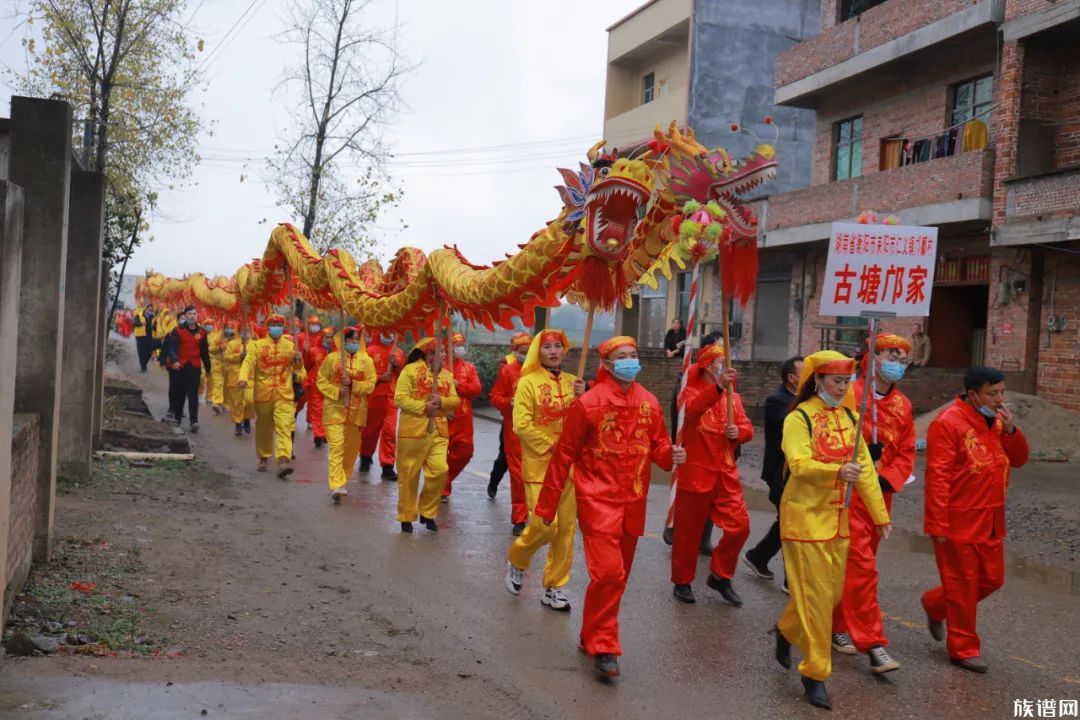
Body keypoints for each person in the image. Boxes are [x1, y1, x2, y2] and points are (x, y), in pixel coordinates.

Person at [536, 336, 684, 679]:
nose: (631, 361)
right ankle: (605, 647)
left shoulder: (648, 402)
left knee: (616, 579)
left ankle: (591, 635)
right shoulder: (587, 404)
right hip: (597, 500)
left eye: (634, 355)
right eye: (623, 357)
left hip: (633, 502)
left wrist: (672, 454)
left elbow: (659, 447)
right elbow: (563, 456)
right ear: (606, 364)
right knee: (609, 573)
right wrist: (548, 506)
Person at [773, 350, 891, 710]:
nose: (843, 388)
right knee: (819, 599)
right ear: (818, 380)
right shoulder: (799, 418)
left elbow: (866, 470)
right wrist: (836, 472)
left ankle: (786, 631)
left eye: (846, 381)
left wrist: (879, 513)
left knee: (829, 595)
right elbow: (798, 463)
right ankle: (815, 672)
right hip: (804, 519)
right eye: (836, 381)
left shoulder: (850, 418)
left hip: (839, 519)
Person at [921, 366, 1028, 674]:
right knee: (963, 586)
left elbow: (1019, 459)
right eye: (992, 393)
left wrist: (1011, 430)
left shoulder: (997, 422)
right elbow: (938, 476)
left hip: (992, 517)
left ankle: (935, 603)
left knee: (992, 579)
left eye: (1002, 392)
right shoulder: (948, 423)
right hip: (958, 519)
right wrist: (937, 523)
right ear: (972, 395)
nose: (999, 399)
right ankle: (963, 649)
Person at [831, 334, 915, 673]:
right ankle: (874, 643)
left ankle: (835, 625)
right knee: (861, 567)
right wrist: (862, 458)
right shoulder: (849, 394)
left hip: (881, 499)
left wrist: (888, 477)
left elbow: (907, 450)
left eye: (902, 355)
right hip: (849, 496)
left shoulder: (903, 405)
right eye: (891, 353)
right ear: (873, 356)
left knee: (853, 569)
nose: (897, 360)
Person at [504, 331, 585, 612]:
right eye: (547, 346)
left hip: (570, 470)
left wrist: (583, 399)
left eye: (558, 346)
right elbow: (522, 425)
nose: (553, 351)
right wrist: (552, 446)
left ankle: (555, 587)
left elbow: (585, 424)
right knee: (543, 525)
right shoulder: (527, 383)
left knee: (566, 531)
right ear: (538, 351)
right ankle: (518, 558)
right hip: (541, 466)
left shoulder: (575, 383)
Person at [670, 343, 753, 606]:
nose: (727, 367)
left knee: (740, 526)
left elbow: (747, 426)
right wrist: (718, 388)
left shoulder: (734, 398)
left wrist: (738, 434)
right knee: (687, 535)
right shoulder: (687, 392)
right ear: (707, 365)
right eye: (721, 362)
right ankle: (682, 581)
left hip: (726, 473)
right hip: (695, 472)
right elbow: (691, 411)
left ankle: (721, 575)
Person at [743, 356, 803, 589]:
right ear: (792, 378)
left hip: (799, 472)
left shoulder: (805, 400)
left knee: (788, 521)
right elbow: (790, 424)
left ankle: (758, 557)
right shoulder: (777, 401)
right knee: (791, 523)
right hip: (780, 472)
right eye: (805, 372)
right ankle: (792, 580)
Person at [393, 337, 461, 532]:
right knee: (409, 475)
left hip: (439, 431)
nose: (444, 355)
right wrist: (424, 407)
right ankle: (406, 516)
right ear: (428, 354)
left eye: (444, 352)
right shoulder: (410, 370)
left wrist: (442, 402)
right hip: (413, 432)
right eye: (440, 352)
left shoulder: (447, 376)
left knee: (440, 470)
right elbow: (400, 399)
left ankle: (428, 512)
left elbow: (455, 400)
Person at [664, 331, 722, 551]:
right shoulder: (688, 379)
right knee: (690, 493)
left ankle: (703, 536)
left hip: (718, 451)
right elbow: (684, 411)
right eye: (719, 351)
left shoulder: (726, 383)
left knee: (712, 497)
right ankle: (677, 528)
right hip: (693, 445)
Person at [238, 313, 305, 478]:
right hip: (263, 392)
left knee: (285, 426)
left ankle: (283, 459)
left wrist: (298, 360)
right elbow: (248, 362)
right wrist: (243, 377)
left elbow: (299, 371)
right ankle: (263, 456)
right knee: (264, 427)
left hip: (285, 393)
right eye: (273, 324)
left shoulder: (291, 346)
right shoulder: (256, 345)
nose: (277, 327)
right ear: (267, 327)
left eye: (279, 324)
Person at [318, 328, 376, 503]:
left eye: (357, 339)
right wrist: (337, 390)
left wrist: (353, 385)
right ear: (342, 341)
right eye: (350, 339)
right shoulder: (332, 359)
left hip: (356, 413)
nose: (354, 342)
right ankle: (336, 484)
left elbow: (371, 384)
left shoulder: (366, 361)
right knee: (336, 447)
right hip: (334, 410)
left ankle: (343, 479)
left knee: (350, 451)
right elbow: (321, 380)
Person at [489, 332, 532, 534]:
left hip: (540, 433)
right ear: (515, 352)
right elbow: (495, 396)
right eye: (523, 352)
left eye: (529, 351)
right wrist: (508, 403)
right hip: (514, 431)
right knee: (517, 475)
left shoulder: (542, 372)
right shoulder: (507, 371)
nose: (527, 355)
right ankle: (519, 518)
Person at [361, 330, 407, 481]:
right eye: (385, 331)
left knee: (389, 431)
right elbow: (363, 374)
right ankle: (366, 457)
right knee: (370, 431)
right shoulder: (369, 351)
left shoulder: (399, 352)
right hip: (373, 396)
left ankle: (387, 466)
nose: (388, 334)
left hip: (391, 397)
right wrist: (380, 378)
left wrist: (397, 365)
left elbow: (404, 376)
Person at [443, 333, 482, 501]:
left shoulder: (469, 368)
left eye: (462, 344)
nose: (460, 347)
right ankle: (442, 489)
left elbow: (476, 389)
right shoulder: (437, 366)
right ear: (447, 347)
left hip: (463, 419)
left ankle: (442, 480)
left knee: (465, 453)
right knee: (439, 456)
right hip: (444, 418)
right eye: (456, 344)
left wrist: (460, 386)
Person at [162, 306, 211, 432]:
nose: (192, 316)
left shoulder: (202, 332)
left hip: (194, 367)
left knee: (193, 395)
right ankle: (177, 417)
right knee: (180, 394)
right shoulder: (177, 330)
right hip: (180, 366)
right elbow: (172, 348)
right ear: (185, 315)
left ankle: (194, 421)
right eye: (190, 314)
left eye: (194, 313)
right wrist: (175, 360)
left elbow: (204, 352)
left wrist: (208, 368)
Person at [303, 326, 335, 449]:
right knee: (317, 410)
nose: (329, 340)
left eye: (331, 337)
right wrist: (305, 353)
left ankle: (323, 432)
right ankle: (318, 434)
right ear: (321, 338)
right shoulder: (313, 351)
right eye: (327, 337)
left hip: (330, 386)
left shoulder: (336, 352)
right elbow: (306, 366)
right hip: (315, 384)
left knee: (327, 411)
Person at [223, 322, 254, 437]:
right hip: (235, 377)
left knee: (250, 400)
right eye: (243, 330)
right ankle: (237, 423)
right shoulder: (232, 344)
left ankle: (246, 418)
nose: (245, 333)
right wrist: (239, 356)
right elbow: (226, 357)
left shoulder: (255, 344)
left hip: (249, 378)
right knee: (236, 403)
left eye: (247, 330)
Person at [204, 319, 227, 415]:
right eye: (227, 327)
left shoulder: (237, 338)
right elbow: (211, 349)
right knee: (217, 382)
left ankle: (222, 403)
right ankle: (216, 402)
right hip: (215, 363)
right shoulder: (218, 336)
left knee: (227, 385)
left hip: (231, 367)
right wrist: (219, 348)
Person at [133, 304, 156, 372]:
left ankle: (144, 364)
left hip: (149, 337)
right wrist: (142, 324)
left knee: (149, 352)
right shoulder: (139, 315)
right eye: (149, 309)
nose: (150, 311)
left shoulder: (153, 317)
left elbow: (155, 327)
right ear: (146, 309)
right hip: (140, 336)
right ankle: (143, 367)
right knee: (141, 353)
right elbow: (134, 323)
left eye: (152, 310)